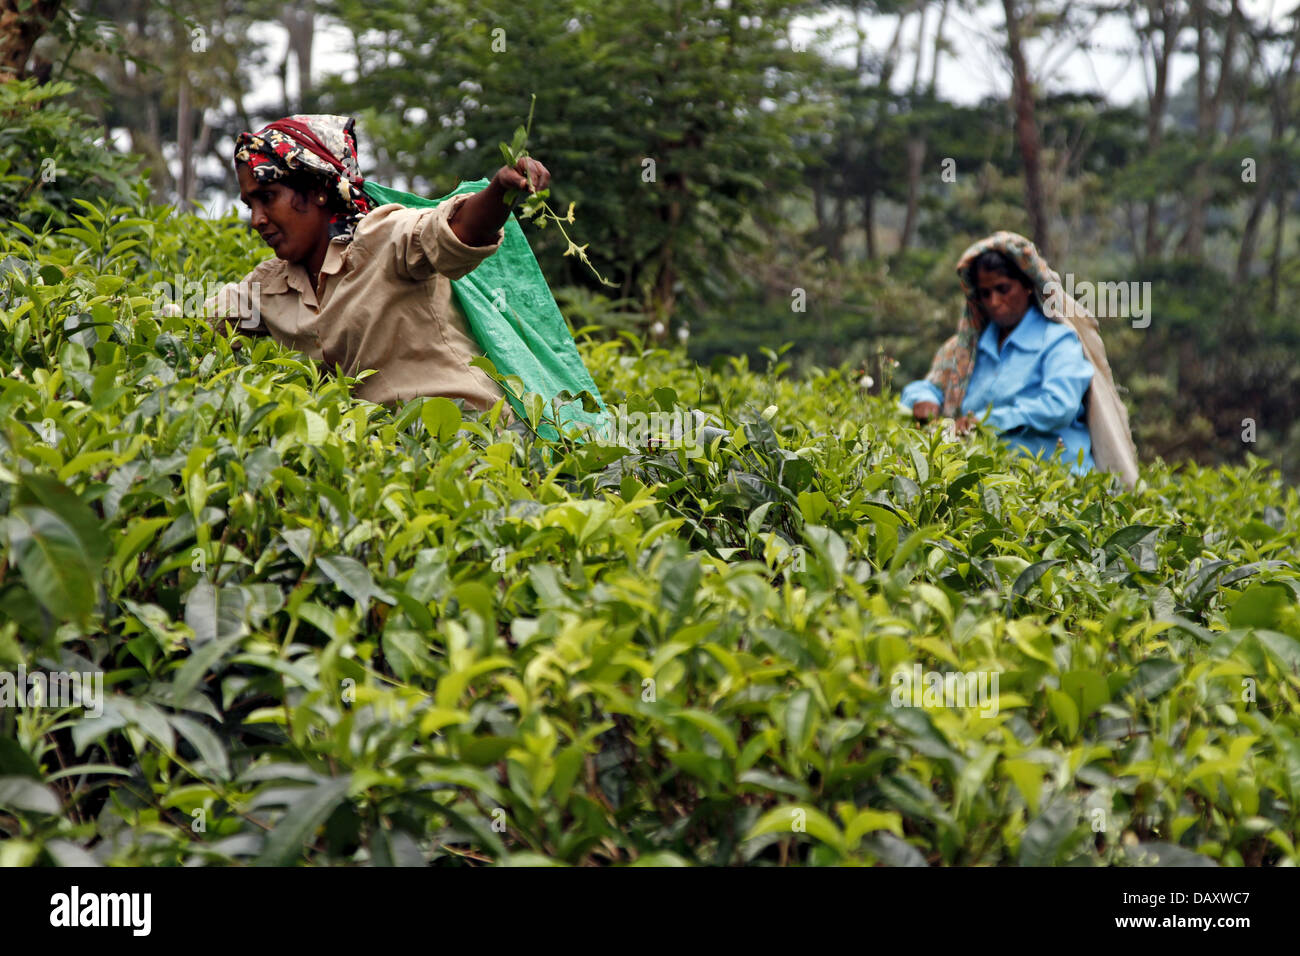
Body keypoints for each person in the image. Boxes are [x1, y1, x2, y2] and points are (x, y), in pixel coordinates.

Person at [203, 113, 550, 412]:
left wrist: (499, 192)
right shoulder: (269, 288)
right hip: (384, 458)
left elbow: (454, 231)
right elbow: (195, 324)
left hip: (472, 439)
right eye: (251, 205)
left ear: (318, 189)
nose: (257, 220)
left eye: (267, 198)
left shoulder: (383, 239)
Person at [898, 231, 1139, 485]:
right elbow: (933, 386)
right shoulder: (967, 348)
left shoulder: (1058, 341)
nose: (995, 302)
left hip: (1055, 484)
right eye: (985, 293)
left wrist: (986, 421)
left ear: (1026, 286)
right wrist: (923, 399)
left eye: (1003, 289)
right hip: (990, 482)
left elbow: (1059, 406)